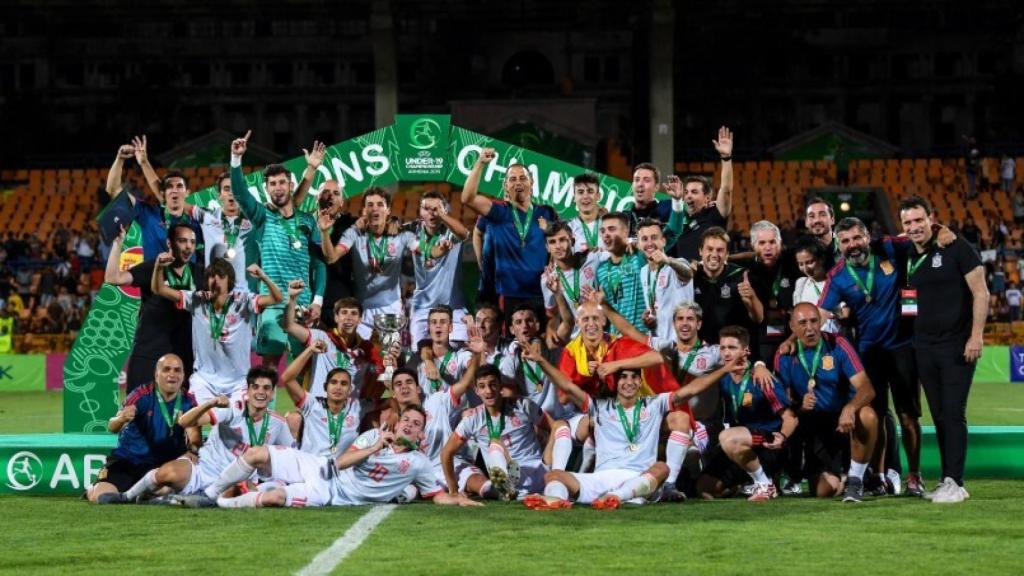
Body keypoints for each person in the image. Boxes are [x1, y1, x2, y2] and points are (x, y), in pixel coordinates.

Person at [819, 217, 926, 496]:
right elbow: (818, 314)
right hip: (869, 351)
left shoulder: (889, 248)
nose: (852, 245)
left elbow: (917, 234)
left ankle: (914, 475)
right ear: (839, 245)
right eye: (845, 241)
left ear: (867, 236)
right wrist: (793, 340)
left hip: (903, 347)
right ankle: (877, 477)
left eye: (857, 238)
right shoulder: (838, 276)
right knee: (874, 416)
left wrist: (943, 230)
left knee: (908, 416)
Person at [900, 196, 989, 504]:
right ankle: (947, 479)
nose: (914, 227)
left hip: (956, 344)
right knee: (938, 414)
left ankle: (956, 481)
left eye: (918, 220)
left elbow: (981, 293)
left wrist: (976, 336)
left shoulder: (956, 247)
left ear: (931, 218)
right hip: (924, 346)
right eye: (907, 223)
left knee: (953, 412)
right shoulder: (909, 254)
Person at [206, 406, 476, 508]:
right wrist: (375, 447)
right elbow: (341, 462)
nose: (408, 424)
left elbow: (435, 496)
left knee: (274, 498)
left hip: (332, 494)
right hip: (321, 466)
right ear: (397, 423)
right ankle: (209, 494)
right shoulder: (374, 437)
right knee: (256, 453)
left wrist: (457, 499)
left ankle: (223, 504)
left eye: (416, 424)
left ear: (420, 435)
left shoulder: (419, 463)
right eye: (405, 419)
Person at [522, 353, 693, 510]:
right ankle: (555, 499)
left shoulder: (653, 404)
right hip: (602, 478)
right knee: (554, 475)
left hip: (638, 478)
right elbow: (567, 387)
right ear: (616, 384)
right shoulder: (600, 407)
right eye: (623, 377)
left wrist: (721, 370)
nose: (629, 382)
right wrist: (541, 360)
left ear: (640, 382)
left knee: (662, 468)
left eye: (634, 377)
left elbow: (691, 389)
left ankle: (615, 497)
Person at [111, 367, 294, 507]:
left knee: (246, 490)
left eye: (266, 388)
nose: (260, 392)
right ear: (248, 390)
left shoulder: (278, 423)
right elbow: (185, 422)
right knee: (167, 473)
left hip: (236, 480)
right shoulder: (232, 409)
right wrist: (211, 403)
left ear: (272, 394)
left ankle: (173, 499)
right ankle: (126, 496)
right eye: (255, 387)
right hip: (204, 468)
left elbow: (290, 456)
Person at [229, 131, 326, 367]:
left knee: (307, 368)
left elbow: (319, 264)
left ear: (290, 185)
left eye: (282, 182)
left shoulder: (308, 221)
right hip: (273, 304)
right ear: (266, 189)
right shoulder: (262, 217)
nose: (278, 187)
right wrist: (236, 159)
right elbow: (240, 193)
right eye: (272, 184)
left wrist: (318, 301)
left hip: (303, 304)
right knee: (269, 368)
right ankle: (265, 406)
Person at [774, 303, 879, 502]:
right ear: (792, 327)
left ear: (821, 321)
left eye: (814, 321)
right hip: (814, 427)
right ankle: (840, 477)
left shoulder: (838, 344)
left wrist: (850, 407)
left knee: (867, 415)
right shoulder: (785, 355)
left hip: (844, 421)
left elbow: (866, 388)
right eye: (802, 323)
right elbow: (783, 404)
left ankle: (855, 481)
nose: (810, 328)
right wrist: (800, 407)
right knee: (824, 491)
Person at [679, 326, 797, 501]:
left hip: (768, 444)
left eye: (732, 348)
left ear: (745, 350)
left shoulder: (761, 379)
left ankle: (766, 484)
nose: (726, 353)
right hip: (739, 446)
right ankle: (745, 484)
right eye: (723, 348)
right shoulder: (724, 377)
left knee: (727, 437)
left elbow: (791, 418)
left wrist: (782, 436)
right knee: (704, 487)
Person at [152, 258, 282, 404]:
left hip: (238, 382)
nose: (215, 280)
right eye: (211, 276)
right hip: (204, 380)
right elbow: (159, 289)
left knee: (235, 425)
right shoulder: (197, 299)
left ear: (229, 280)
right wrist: (158, 267)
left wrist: (263, 277)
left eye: (220, 276)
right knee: (191, 419)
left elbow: (277, 298)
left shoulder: (244, 301)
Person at [105, 224, 203, 392]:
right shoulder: (152, 267)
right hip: (149, 352)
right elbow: (113, 278)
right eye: (182, 241)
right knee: (137, 409)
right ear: (169, 243)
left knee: (181, 415)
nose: (188, 246)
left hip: (184, 355)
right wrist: (117, 244)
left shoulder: (200, 274)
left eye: (192, 242)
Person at [90, 355, 199, 503]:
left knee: (174, 483)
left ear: (183, 375)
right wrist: (121, 418)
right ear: (156, 374)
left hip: (163, 467)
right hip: (128, 461)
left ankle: (145, 494)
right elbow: (112, 426)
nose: (172, 374)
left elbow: (194, 435)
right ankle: (96, 489)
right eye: (166, 369)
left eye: (177, 370)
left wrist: (192, 450)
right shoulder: (141, 395)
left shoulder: (188, 401)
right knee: (101, 496)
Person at [462, 148, 558, 315]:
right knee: (510, 340)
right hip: (508, 295)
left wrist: (549, 231)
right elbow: (467, 198)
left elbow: (560, 240)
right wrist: (480, 163)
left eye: (523, 178)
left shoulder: (547, 212)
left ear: (532, 182)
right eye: (512, 179)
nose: (518, 182)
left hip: (542, 293)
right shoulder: (499, 212)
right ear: (505, 186)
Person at [321, 187, 416, 338]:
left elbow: (424, 251)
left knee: (390, 355)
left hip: (390, 307)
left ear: (388, 210)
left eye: (380, 204)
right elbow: (331, 257)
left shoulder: (399, 234)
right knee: (357, 356)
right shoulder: (354, 233)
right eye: (370, 205)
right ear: (364, 210)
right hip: (361, 308)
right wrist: (324, 232)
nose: (375, 208)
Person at [407, 191, 471, 344]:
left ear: (444, 210)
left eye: (437, 209)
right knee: (419, 351)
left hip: (453, 307)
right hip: (422, 308)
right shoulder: (411, 232)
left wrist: (442, 215)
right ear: (420, 211)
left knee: (459, 348)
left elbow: (464, 234)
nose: (432, 213)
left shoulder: (451, 232)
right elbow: (432, 252)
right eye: (427, 208)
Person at [279, 340, 361, 456]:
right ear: (325, 387)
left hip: (341, 469)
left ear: (350, 389)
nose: (338, 387)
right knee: (293, 418)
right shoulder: (313, 404)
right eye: (333, 382)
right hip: (312, 466)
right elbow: (287, 378)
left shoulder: (357, 408)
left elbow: (390, 403)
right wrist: (310, 350)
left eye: (343, 384)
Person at [691, 227, 763, 345]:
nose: (714, 254)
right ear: (700, 251)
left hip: (731, 348)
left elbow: (759, 318)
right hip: (700, 349)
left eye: (720, 250)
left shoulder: (741, 276)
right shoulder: (691, 276)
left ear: (727, 254)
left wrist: (752, 298)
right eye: (709, 249)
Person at [672, 127, 735, 260]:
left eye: (694, 192)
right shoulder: (678, 221)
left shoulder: (714, 216)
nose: (688, 195)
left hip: (708, 278)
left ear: (707, 198)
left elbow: (726, 189)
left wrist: (726, 158)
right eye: (686, 192)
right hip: (683, 280)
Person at [745, 220, 799, 361]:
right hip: (761, 341)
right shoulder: (747, 272)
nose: (768, 247)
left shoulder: (794, 264)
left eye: (772, 242)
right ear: (753, 246)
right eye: (762, 243)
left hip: (793, 337)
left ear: (780, 244)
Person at [540, 221, 599, 345]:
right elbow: (552, 314)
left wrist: (631, 244)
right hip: (574, 340)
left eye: (562, 240)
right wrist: (550, 327)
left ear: (572, 240)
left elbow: (617, 253)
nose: (558, 246)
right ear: (547, 247)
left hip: (601, 333)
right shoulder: (548, 279)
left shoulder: (592, 258)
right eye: (552, 242)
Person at [637, 218, 694, 341]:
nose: (649, 243)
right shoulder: (643, 272)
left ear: (663, 241)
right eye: (644, 239)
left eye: (654, 237)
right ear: (638, 244)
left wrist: (667, 261)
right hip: (658, 344)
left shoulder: (676, 264)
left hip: (680, 344)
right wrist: (649, 321)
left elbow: (688, 274)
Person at [596, 212, 647, 335]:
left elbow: (672, 233)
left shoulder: (639, 255)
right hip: (617, 341)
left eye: (611, 229)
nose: (606, 234)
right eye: (602, 231)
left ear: (626, 231)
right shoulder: (601, 270)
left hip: (644, 336)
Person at [791, 237, 840, 334]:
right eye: (801, 264)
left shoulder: (835, 282)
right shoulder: (801, 284)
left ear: (821, 259)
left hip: (835, 343)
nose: (805, 269)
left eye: (809, 262)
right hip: (810, 342)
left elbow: (845, 314)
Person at [567, 172, 605, 253]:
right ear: (574, 197)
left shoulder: (609, 226)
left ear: (598, 196)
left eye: (590, 191)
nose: (585, 196)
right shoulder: (568, 229)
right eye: (580, 192)